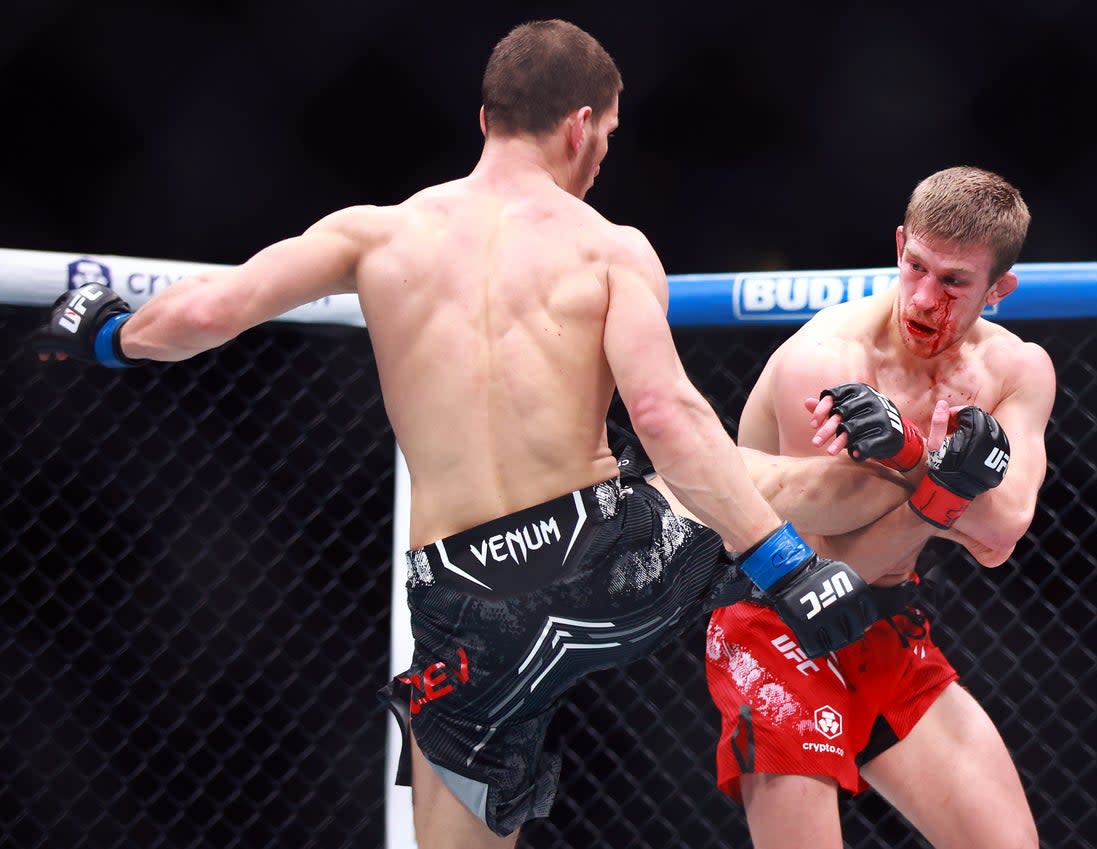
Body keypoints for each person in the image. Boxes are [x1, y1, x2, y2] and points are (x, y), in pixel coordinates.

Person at [32, 19, 879, 848]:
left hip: (457, 600)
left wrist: (109, 334)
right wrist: (785, 564)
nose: (606, 155)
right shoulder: (609, 247)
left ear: (486, 120)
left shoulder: (374, 231)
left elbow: (210, 310)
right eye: (610, 133)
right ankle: (922, 472)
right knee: (766, 476)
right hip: (592, 561)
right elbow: (668, 416)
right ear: (582, 125)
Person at [704, 166, 1056, 849]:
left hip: (890, 628)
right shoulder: (828, 359)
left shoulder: (1017, 371)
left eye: (954, 281)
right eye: (915, 266)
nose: (924, 298)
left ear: (999, 288)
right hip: (778, 620)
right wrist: (941, 482)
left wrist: (907, 455)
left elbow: (1005, 528)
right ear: (899, 243)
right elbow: (829, 571)